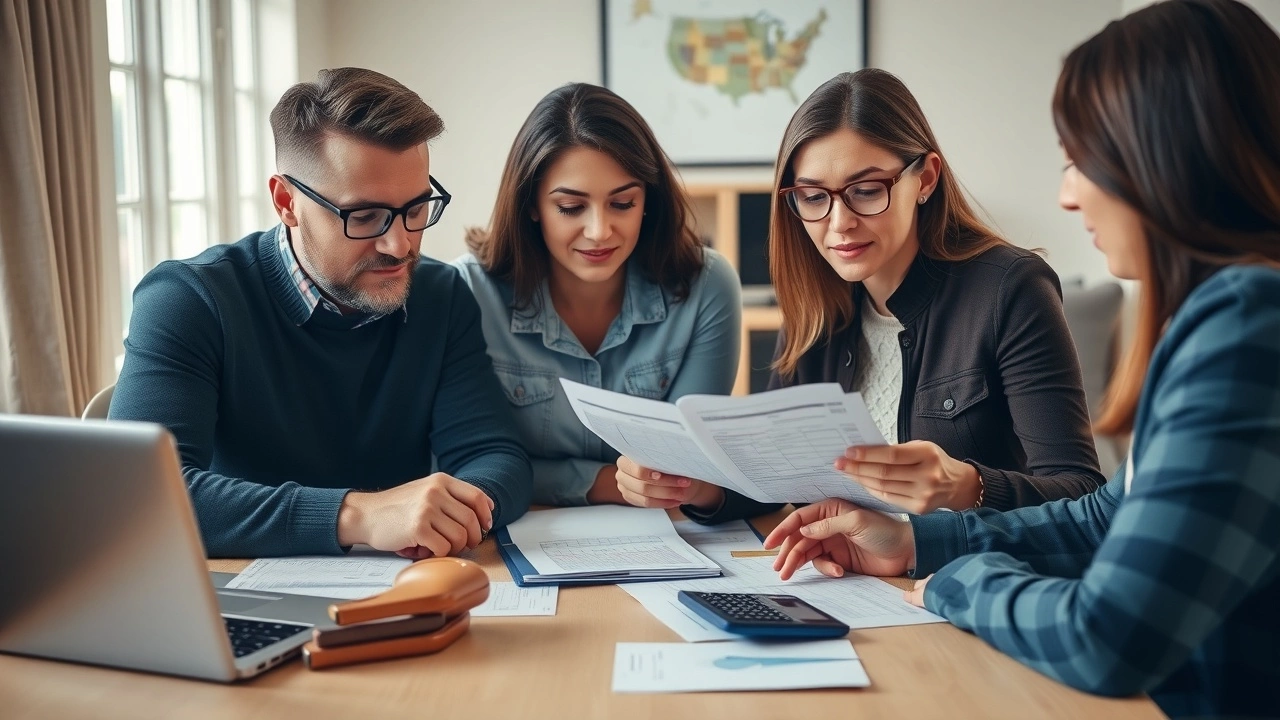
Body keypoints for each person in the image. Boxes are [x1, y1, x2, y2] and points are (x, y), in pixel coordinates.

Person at [765, 1, 1280, 715]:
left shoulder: (1249, 328)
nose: (1067, 196)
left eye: (1083, 161)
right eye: (813, 199)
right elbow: (1103, 517)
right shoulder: (1227, 315)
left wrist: (953, 579)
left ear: (1173, 155)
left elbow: (1106, 638)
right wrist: (915, 541)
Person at [619, 68, 1105, 521]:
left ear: (926, 179)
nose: (839, 223)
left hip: (960, 583)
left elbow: (1082, 495)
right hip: (854, 584)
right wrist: (694, 485)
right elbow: (775, 473)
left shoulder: (1011, 289)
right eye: (813, 197)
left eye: (867, 190)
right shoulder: (816, 304)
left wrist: (967, 486)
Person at [110, 68, 532, 558]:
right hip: (233, 590)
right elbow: (139, 497)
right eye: (365, 216)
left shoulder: (441, 295)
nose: (400, 245)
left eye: (416, 209)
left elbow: (495, 456)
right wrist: (357, 516)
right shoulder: (189, 300)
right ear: (287, 202)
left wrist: (453, 514)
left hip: (399, 586)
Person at [455, 83, 741, 506]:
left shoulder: (706, 286)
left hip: (664, 535)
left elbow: (689, 464)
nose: (599, 231)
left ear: (648, 200)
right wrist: (605, 483)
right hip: (517, 532)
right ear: (531, 204)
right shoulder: (470, 292)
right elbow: (458, 463)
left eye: (622, 203)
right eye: (571, 207)